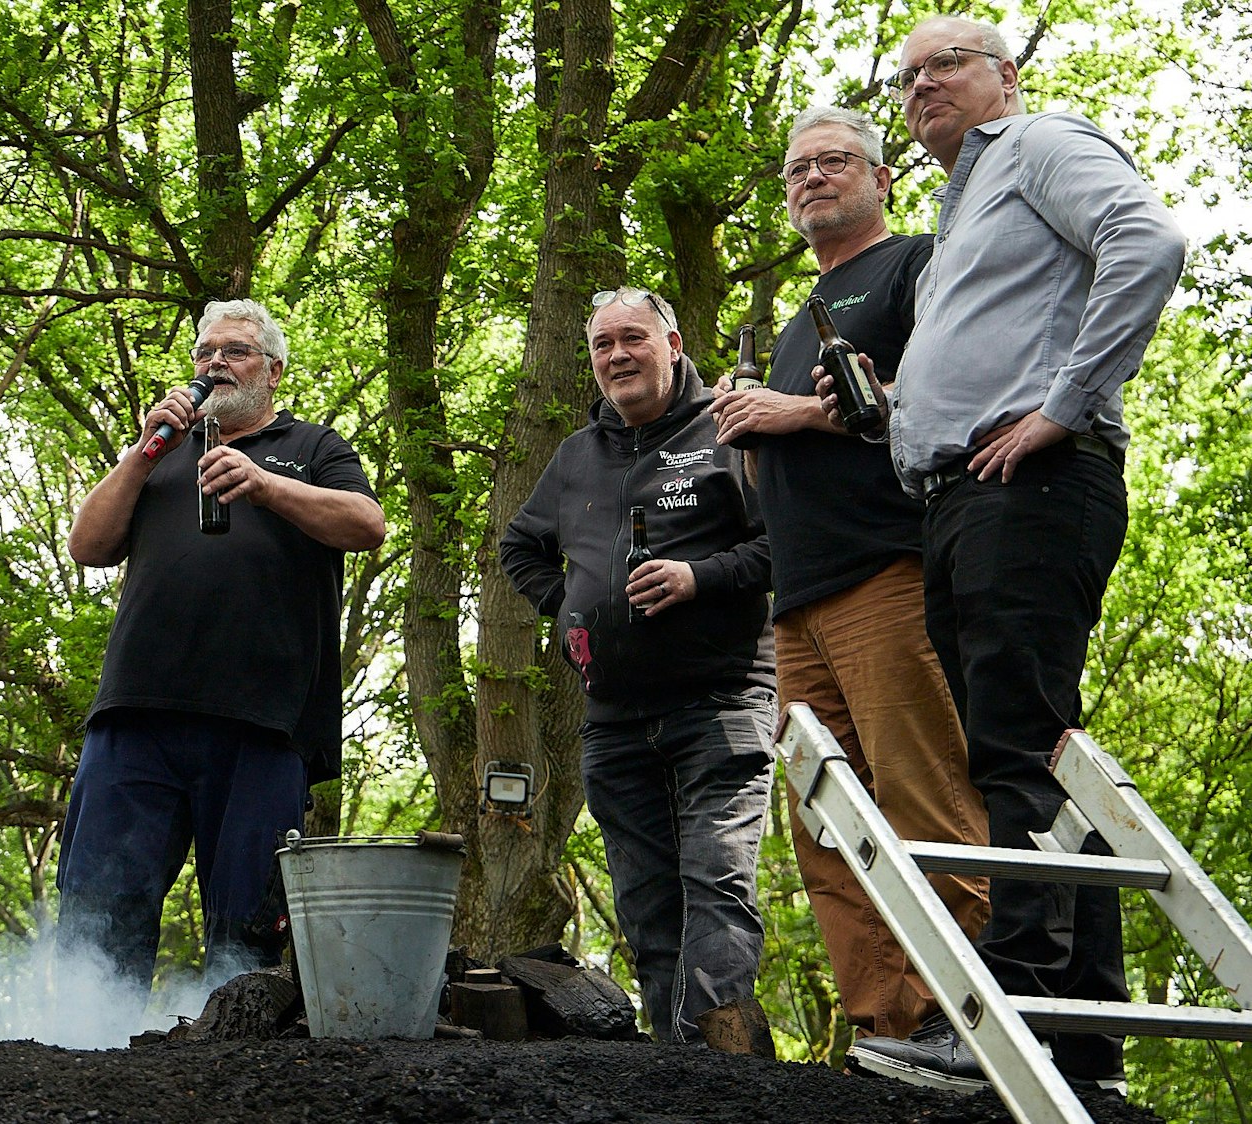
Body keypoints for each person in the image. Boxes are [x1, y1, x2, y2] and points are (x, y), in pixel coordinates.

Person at [831, 16, 1184, 1094]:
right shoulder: (962, 205)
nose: (922, 85)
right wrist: (892, 412)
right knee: (1032, 751)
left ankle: (1005, 1018)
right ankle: (1083, 1045)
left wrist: (1061, 409)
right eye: (905, 77)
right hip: (955, 502)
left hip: (1027, 487)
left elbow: (1149, 242)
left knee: (1014, 752)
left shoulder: (1038, 145)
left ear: (1005, 76)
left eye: (946, 63)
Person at [709, 107, 989, 1045]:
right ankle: (883, 1031)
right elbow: (769, 471)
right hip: (795, 605)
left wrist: (794, 415)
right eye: (795, 170)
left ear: (881, 178)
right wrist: (746, 429)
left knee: (922, 799)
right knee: (826, 826)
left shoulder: (916, 265)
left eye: (833, 162)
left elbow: (952, 394)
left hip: (890, 572)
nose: (810, 180)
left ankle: (966, 1023)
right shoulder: (797, 316)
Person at [60, 298, 386, 988]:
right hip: (137, 711)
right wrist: (144, 449)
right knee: (99, 907)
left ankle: (235, 1069)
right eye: (204, 352)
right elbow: (88, 546)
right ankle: (85, 1056)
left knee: (246, 926)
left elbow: (366, 524)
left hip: (262, 720)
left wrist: (266, 487)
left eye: (233, 351)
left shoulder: (312, 449)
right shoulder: (160, 456)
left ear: (272, 371)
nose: (214, 363)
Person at [501, 287, 775, 1047]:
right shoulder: (575, 456)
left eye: (633, 339)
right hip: (613, 718)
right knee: (646, 900)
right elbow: (517, 546)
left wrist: (699, 577)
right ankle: (673, 1063)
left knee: (716, 883)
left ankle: (724, 1066)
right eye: (601, 345)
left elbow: (782, 544)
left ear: (674, 344)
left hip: (718, 703)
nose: (617, 356)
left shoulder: (726, 427)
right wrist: (569, 611)